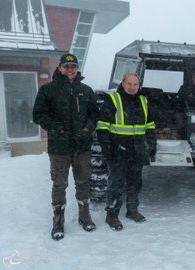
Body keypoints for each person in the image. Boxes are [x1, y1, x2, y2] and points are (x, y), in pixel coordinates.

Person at [33, 53, 99, 240]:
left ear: (77, 69)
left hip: (82, 146)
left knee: (83, 182)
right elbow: (38, 114)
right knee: (59, 183)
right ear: (60, 68)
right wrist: (56, 128)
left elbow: (95, 114)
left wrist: (87, 128)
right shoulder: (48, 90)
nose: (70, 70)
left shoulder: (86, 90)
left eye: (73, 67)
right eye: (66, 66)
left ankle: (84, 215)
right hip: (59, 148)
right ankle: (58, 219)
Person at [96, 72, 156, 231]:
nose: (132, 87)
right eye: (129, 84)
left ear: (139, 86)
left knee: (135, 183)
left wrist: (151, 144)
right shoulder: (113, 100)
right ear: (123, 83)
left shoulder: (143, 100)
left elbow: (150, 125)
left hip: (137, 150)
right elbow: (102, 126)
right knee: (116, 184)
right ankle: (112, 215)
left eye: (135, 84)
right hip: (118, 151)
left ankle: (132, 210)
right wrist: (107, 148)